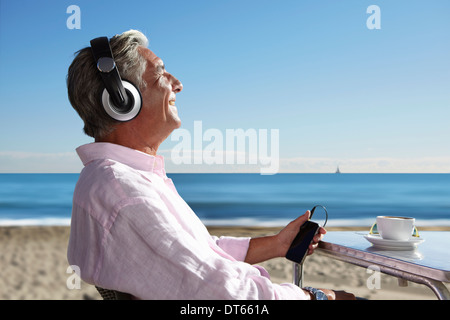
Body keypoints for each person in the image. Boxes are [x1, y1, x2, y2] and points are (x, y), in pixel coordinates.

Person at [66, 29, 354, 300]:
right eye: (161, 74)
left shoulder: (123, 179)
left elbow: (199, 253)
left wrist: (277, 244)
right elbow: (224, 293)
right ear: (123, 99)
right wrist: (316, 295)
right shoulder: (122, 190)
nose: (177, 83)